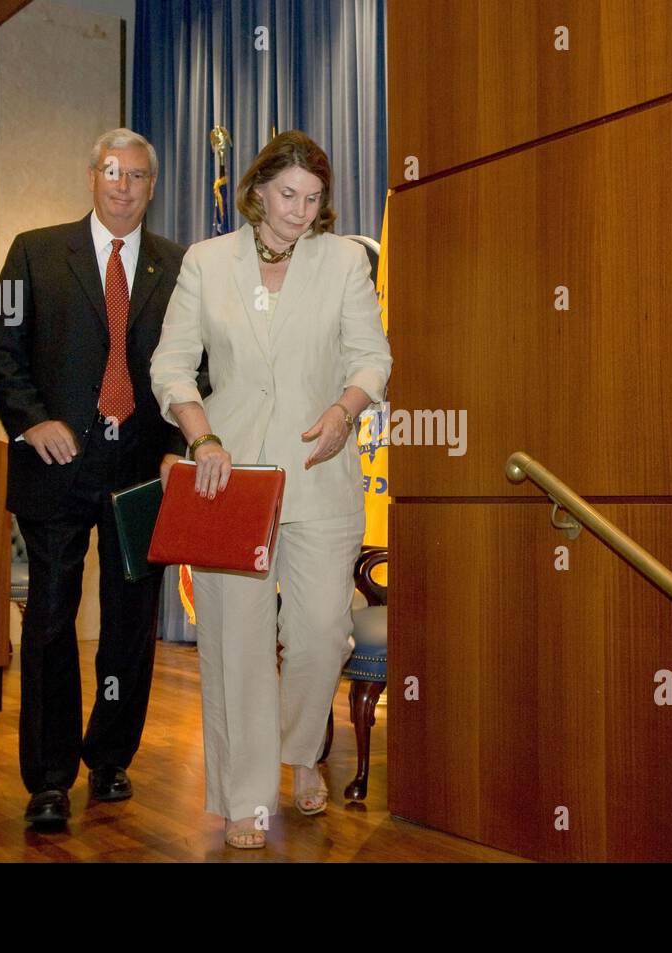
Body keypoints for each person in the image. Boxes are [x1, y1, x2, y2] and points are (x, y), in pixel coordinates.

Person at [151, 130, 392, 848]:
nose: (299, 209)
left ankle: (300, 751)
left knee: (321, 632)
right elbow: (171, 366)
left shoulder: (344, 260)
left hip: (320, 469)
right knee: (237, 642)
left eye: (313, 198)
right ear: (257, 191)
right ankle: (247, 794)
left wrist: (346, 411)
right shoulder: (206, 262)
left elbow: (371, 355)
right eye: (288, 194)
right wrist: (202, 437)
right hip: (231, 479)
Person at [0, 128, 188, 830]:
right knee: (49, 618)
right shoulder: (35, 252)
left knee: (131, 624)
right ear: (91, 178)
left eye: (137, 175)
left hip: (141, 470)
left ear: (152, 187)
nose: (123, 185)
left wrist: (177, 443)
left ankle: (110, 755)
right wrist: (31, 420)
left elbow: (194, 364)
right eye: (111, 171)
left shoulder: (177, 265)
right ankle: (47, 776)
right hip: (55, 465)